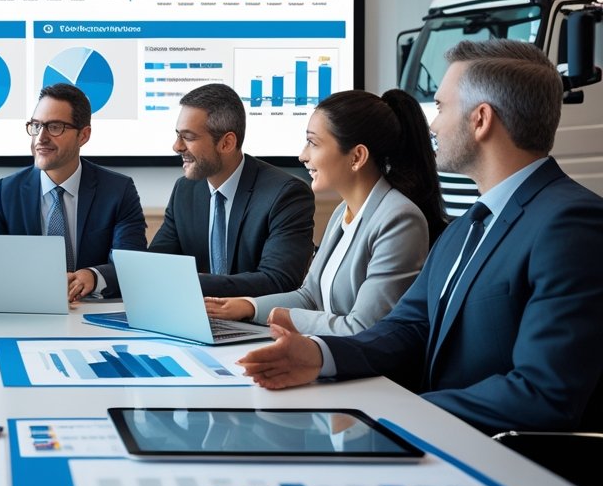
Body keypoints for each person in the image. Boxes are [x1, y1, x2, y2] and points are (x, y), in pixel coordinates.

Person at [240, 40, 603, 433]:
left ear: (481, 119)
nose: (432, 125)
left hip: (494, 456)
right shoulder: (466, 226)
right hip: (439, 439)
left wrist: (394, 411)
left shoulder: (570, 223)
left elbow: (542, 393)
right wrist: (320, 355)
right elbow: (407, 326)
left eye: (442, 107)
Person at [206, 89, 446, 335]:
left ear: (357, 157)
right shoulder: (343, 211)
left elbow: (364, 327)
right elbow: (310, 297)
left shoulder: (399, 219)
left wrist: (285, 317)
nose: (302, 155)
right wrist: (249, 307)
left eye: (313, 143)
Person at [0, 83, 147, 300]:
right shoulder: (7, 191)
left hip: (91, 309)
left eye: (55, 127)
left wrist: (94, 276)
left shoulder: (118, 190)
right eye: (36, 126)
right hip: (26, 306)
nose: (41, 138)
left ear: (83, 135)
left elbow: (133, 264)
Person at [149, 83, 315, 297]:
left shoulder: (286, 194)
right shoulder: (185, 190)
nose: (177, 146)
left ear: (227, 143)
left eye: (188, 137)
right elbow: (156, 264)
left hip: (258, 317)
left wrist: (190, 282)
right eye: (177, 135)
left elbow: (279, 280)